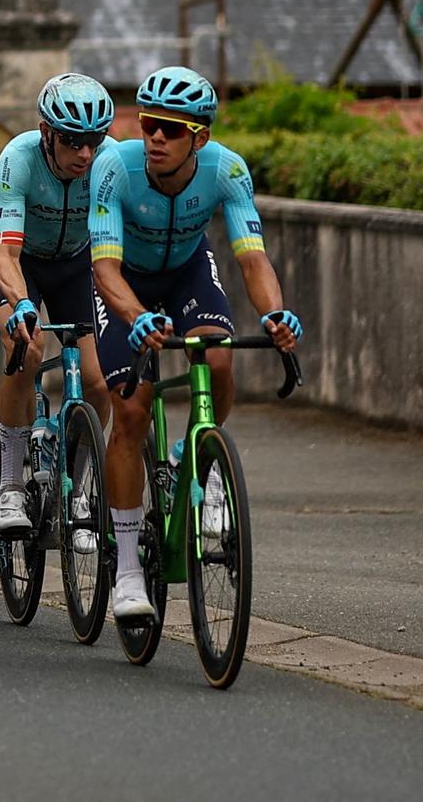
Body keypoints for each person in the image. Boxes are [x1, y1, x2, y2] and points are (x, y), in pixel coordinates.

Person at [88, 66, 297, 621]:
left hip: (186, 273)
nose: (154, 137)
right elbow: (103, 266)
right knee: (131, 411)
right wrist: (133, 315)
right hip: (123, 279)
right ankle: (128, 568)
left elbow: (252, 257)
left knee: (219, 360)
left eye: (170, 130)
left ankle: (195, 457)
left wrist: (274, 313)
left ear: (199, 139)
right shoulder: (115, 166)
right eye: (149, 123)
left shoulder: (227, 170)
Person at [0, 72, 115, 538]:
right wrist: (20, 303)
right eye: (72, 141)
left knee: (100, 382)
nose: (84, 154)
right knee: (26, 348)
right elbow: (5, 253)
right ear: (46, 133)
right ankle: (10, 486)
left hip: (77, 262)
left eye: (93, 141)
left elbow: (116, 245)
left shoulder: (108, 162)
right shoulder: (18, 159)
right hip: (19, 259)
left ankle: (78, 488)